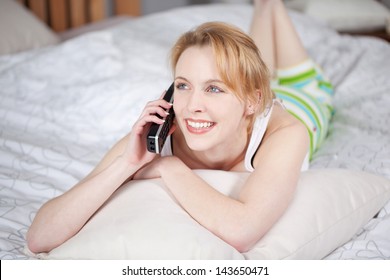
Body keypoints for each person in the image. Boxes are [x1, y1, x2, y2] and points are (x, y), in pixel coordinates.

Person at [27, 0, 333, 254]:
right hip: (248, 94)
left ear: (253, 103)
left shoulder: (287, 133)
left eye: (214, 88)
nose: (191, 106)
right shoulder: (156, 134)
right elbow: (40, 238)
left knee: (284, 69)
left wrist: (169, 167)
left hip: (305, 98)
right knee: (252, 68)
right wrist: (125, 165)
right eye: (184, 85)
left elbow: (242, 231)